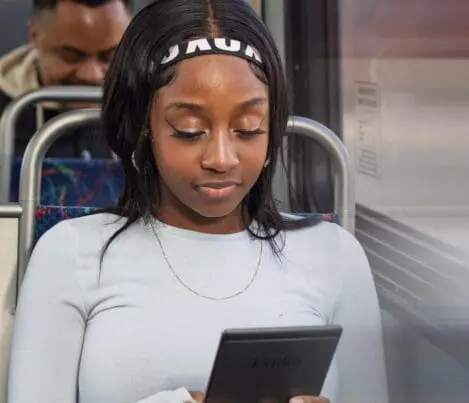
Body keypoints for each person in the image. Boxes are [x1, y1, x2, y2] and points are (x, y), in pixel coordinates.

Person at [8, 0, 389, 402]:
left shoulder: (334, 254)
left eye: (248, 129)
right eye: (189, 131)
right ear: (142, 126)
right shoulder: (71, 252)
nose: (221, 159)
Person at [0, 0, 132, 158]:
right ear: (34, 36)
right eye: (71, 57)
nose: (92, 75)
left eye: (110, 57)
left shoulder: (150, 105)